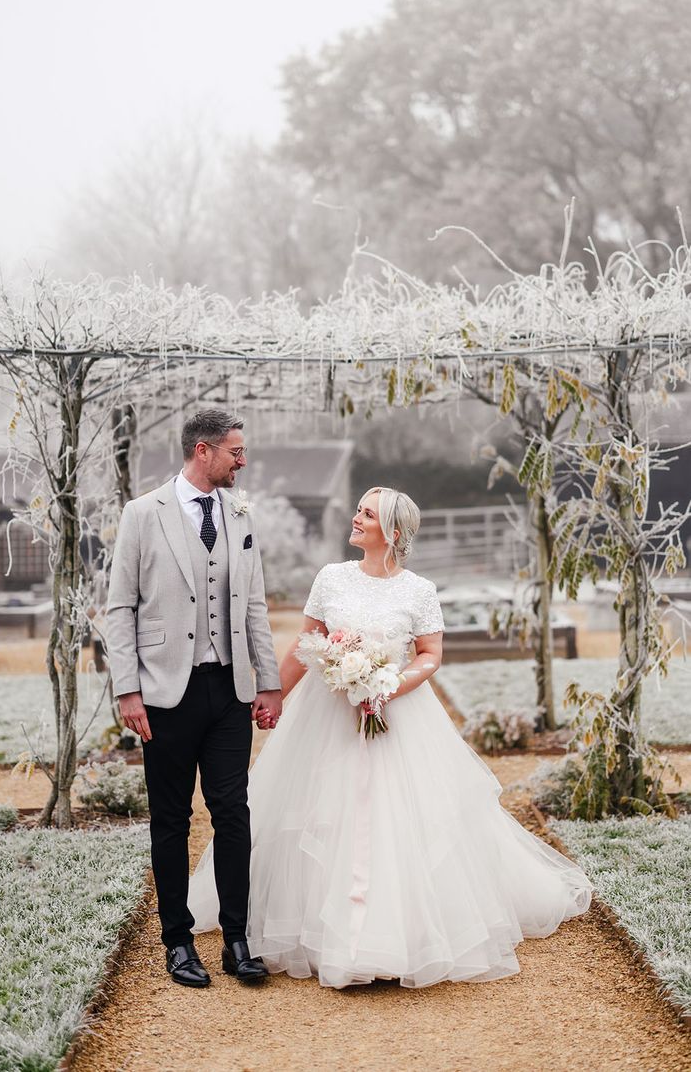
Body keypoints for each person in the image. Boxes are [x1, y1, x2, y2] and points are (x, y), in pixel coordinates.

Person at [189, 485, 593, 989]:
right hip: (327, 719)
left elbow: (429, 655)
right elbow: (307, 643)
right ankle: (318, 925)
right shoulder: (331, 577)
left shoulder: (418, 590)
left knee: (395, 820)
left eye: (367, 513)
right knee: (319, 813)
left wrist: (386, 685)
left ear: (393, 532)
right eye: (358, 510)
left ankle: (391, 936)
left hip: (395, 718)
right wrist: (273, 696)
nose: (356, 518)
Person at [106, 409, 282, 988]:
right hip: (163, 693)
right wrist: (128, 689)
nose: (243, 460)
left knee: (233, 814)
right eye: (236, 451)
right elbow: (119, 608)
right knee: (171, 820)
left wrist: (269, 680)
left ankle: (237, 939)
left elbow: (253, 601)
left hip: (229, 689)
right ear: (202, 451)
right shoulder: (142, 514)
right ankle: (177, 942)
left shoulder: (239, 511)